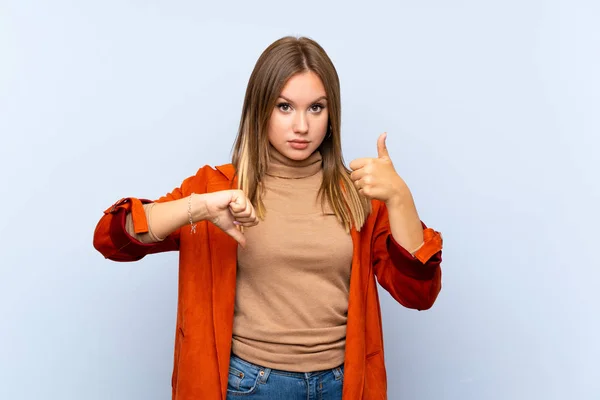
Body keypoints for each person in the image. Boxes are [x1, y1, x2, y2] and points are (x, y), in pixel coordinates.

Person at [93, 36, 443, 400]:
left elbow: (418, 294)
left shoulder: (360, 196)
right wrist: (197, 208)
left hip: (342, 385)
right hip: (249, 386)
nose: (302, 127)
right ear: (260, 109)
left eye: (316, 108)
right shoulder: (218, 188)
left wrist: (401, 197)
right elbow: (111, 239)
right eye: (285, 107)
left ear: (332, 114)